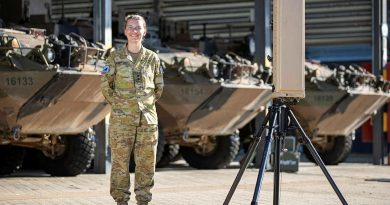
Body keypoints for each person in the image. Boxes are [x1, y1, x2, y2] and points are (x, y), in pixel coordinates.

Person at [101, 14, 164, 205]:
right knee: (120, 164)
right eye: (131, 27)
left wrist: (145, 107)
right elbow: (105, 85)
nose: (134, 31)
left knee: (146, 164)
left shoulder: (152, 59)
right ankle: (121, 201)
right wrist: (121, 105)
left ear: (144, 32)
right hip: (121, 122)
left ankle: (143, 200)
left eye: (138, 28)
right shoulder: (114, 57)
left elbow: (159, 88)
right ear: (125, 31)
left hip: (147, 122)